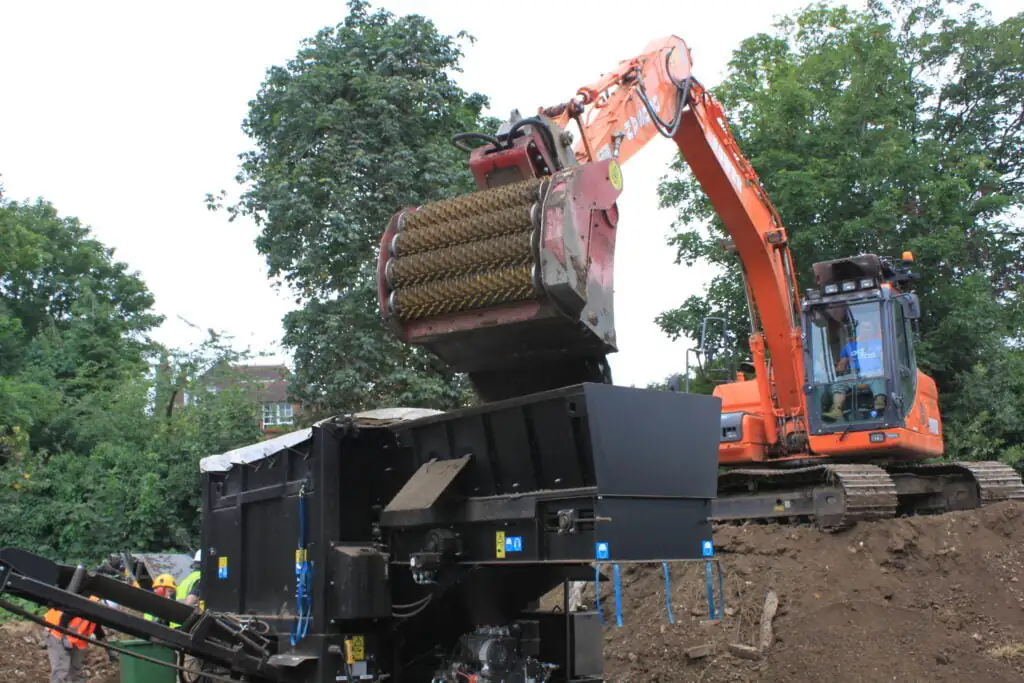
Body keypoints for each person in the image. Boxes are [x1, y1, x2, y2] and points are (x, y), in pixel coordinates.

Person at [824, 317, 886, 420]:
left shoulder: (879, 344)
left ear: (873, 330)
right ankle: (837, 410)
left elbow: (885, 361)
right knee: (839, 382)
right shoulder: (850, 346)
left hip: (874, 374)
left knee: (879, 378)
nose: (866, 330)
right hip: (855, 376)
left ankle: (879, 405)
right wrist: (827, 367)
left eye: (869, 328)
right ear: (859, 330)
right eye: (864, 328)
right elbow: (841, 367)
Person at [43, 597, 115, 683]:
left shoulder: (95, 613)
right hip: (56, 633)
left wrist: (110, 651)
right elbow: (65, 618)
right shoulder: (85, 604)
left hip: (73, 640)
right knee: (61, 668)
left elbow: (99, 632)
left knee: (77, 670)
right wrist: (64, 637)